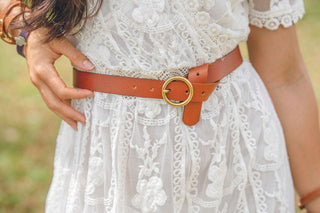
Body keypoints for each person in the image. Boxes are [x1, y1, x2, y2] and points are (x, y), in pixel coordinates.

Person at [1, 0, 320, 212]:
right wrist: (21, 24)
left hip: (233, 156)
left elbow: (285, 76)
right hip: (108, 158)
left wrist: (314, 196)